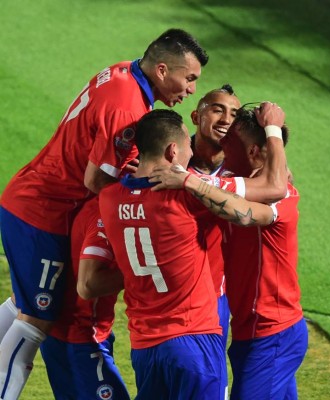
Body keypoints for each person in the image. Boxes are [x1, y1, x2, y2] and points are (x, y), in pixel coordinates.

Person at [0, 28, 208, 399]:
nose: (191, 89)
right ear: (162, 70)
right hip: (45, 212)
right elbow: (96, 179)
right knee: (37, 318)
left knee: (23, 301)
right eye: (189, 78)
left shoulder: (121, 73)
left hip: (32, 199)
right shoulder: (128, 105)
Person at [98, 104, 286, 400]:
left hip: (145, 345)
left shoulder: (109, 198)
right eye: (188, 147)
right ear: (173, 151)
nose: (191, 155)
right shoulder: (187, 194)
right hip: (193, 339)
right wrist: (273, 130)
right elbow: (274, 188)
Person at [150, 106, 308, 400]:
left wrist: (188, 180)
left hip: (273, 332)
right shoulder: (239, 182)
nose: (222, 144)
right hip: (252, 330)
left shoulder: (280, 193)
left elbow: (245, 215)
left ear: (253, 153)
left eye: (230, 141)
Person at [40, 197, 130, 400]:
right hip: (82, 336)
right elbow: (89, 284)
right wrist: (143, 270)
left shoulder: (81, 202)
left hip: (62, 331)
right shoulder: (103, 212)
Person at [187, 84, 241, 397]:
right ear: (196, 115)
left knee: (212, 386)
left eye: (234, 114)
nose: (225, 119)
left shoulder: (242, 172)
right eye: (217, 109)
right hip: (167, 296)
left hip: (214, 296)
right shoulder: (171, 157)